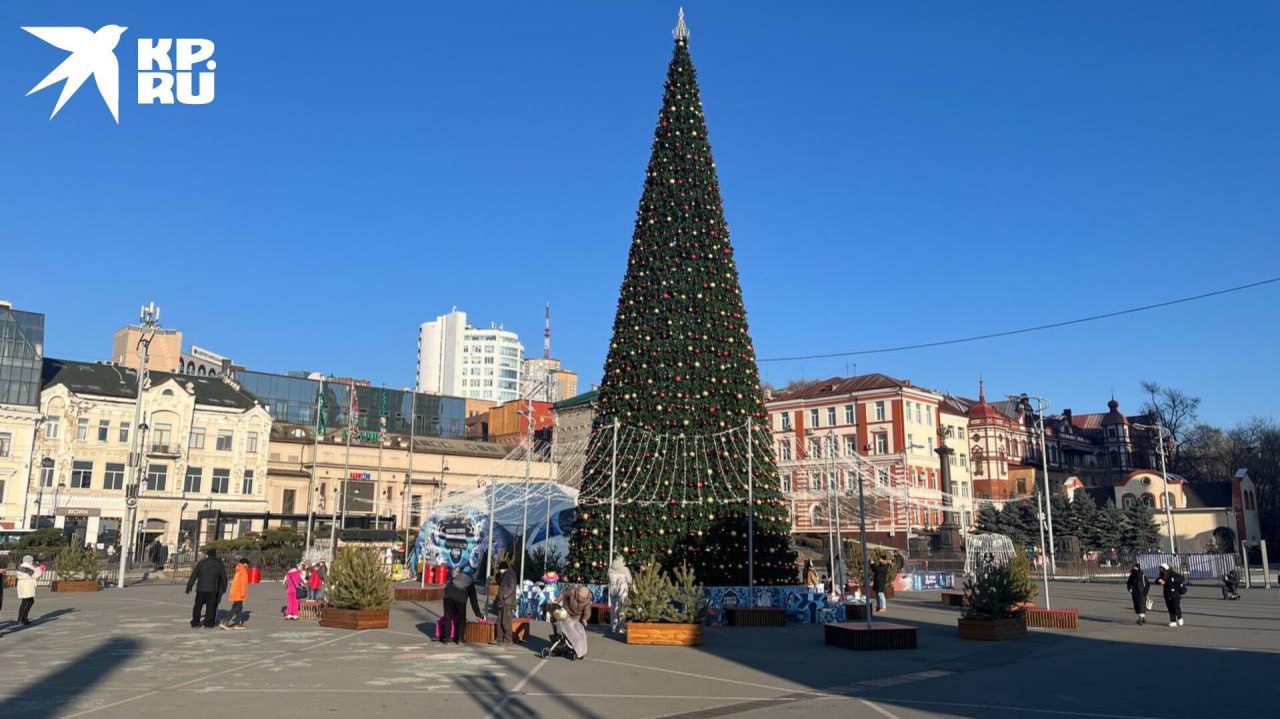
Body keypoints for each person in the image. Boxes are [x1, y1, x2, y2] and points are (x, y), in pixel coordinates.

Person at [186, 548, 228, 628]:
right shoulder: (218, 564)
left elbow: (194, 575)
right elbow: (224, 577)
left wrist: (189, 587)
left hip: (201, 588)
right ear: (215, 555)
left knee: (197, 607)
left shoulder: (201, 563)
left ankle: (195, 623)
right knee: (211, 607)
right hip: (213, 589)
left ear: (207, 554)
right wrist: (224, 588)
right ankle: (208, 623)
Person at [442, 569, 482, 644]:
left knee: (448, 617)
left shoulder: (457, 576)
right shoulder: (470, 582)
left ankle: (447, 638)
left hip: (448, 596)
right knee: (461, 619)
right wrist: (478, 614)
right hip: (460, 599)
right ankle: (460, 639)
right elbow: (474, 601)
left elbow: (447, 586)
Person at [492, 561, 518, 645]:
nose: (500, 571)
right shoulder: (504, 575)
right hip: (502, 602)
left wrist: (504, 595)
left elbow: (512, 587)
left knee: (506, 621)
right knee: (499, 621)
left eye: (500, 569)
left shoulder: (511, 574)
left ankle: (508, 639)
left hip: (508, 602)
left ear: (504, 569)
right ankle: (499, 639)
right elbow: (499, 582)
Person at [607, 555, 633, 634]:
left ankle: (613, 627)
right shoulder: (625, 569)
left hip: (613, 589)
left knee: (614, 608)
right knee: (622, 608)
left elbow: (608, 578)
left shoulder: (610, 569)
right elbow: (629, 580)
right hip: (622, 589)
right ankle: (621, 627)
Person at [221, 558, 251, 629]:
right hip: (239, 592)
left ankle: (238, 623)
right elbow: (243, 583)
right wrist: (243, 594)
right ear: (245, 563)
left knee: (239, 607)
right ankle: (226, 622)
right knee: (236, 608)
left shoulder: (239, 569)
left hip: (236, 591)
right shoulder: (243, 570)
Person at [14, 555, 42, 626]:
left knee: (26, 601)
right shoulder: (28, 567)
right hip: (27, 584)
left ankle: (22, 618)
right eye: (32, 560)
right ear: (29, 560)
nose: (32, 562)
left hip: (22, 584)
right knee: (27, 601)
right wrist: (40, 569)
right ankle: (21, 618)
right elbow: (35, 575)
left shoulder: (20, 566)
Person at [1155, 563, 1185, 627]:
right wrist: (1159, 581)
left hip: (1175, 593)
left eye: (1162, 568)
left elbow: (1182, 578)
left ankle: (1180, 618)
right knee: (1170, 608)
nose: (1160, 570)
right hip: (1167, 594)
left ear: (1165, 568)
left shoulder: (1172, 574)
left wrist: (1172, 580)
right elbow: (1156, 581)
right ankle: (1173, 621)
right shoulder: (1162, 575)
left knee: (1176, 606)